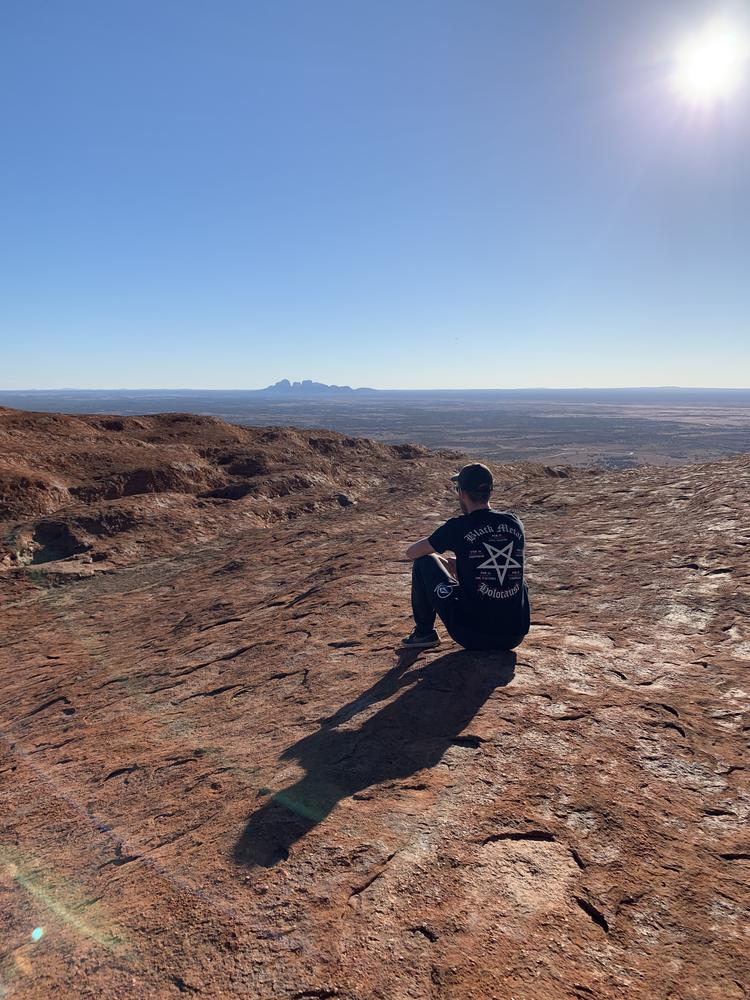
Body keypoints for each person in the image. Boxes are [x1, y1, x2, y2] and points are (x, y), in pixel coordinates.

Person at [403, 462, 530, 651]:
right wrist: (463, 565)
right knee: (516, 575)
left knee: (425, 561)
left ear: (461, 493)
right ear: (490, 491)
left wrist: (442, 560)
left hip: (473, 634)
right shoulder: (514, 522)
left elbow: (412, 552)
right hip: (514, 635)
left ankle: (424, 633)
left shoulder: (458, 527)